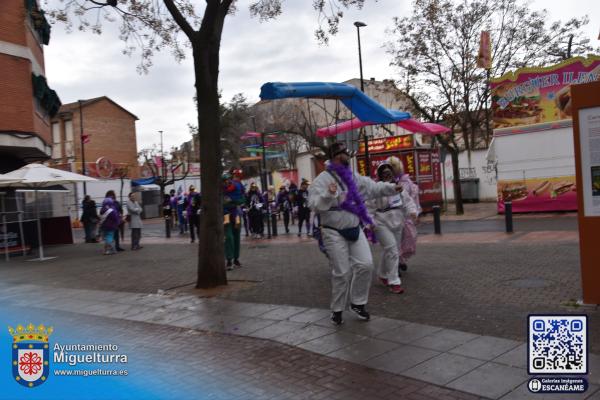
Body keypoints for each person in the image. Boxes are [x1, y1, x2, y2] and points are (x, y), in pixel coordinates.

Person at [308, 142, 403, 326]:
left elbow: (373, 188)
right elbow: (314, 205)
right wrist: (328, 194)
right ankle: (337, 309)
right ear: (336, 156)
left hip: (354, 227)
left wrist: (392, 188)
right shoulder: (322, 179)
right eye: (344, 153)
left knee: (366, 265)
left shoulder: (354, 177)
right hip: (332, 231)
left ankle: (358, 303)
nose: (347, 156)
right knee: (342, 272)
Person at [367, 163, 418, 294]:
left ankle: (383, 274)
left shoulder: (399, 188)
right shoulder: (376, 189)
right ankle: (394, 281)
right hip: (381, 222)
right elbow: (368, 208)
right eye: (384, 173)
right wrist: (370, 222)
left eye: (389, 172)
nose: (387, 174)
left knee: (390, 250)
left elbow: (408, 202)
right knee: (392, 250)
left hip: (397, 222)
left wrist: (413, 213)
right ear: (380, 175)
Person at [387, 156, 422, 272]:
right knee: (394, 243)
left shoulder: (405, 182)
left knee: (409, 239)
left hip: (405, 217)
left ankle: (401, 260)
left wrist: (413, 213)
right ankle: (395, 265)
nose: (392, 169)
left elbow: (409, 199)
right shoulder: (385, 182)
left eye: (394, 166)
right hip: (392, 217)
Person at [223, 173, 244, 270]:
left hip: (236, 214)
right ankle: (229, 260)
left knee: (236, 236)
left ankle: (236, 259)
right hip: (225, 215)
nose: (226, 182)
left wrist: (233, 201)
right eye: (224, 180)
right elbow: (221, 203)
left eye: (228, 179)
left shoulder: (237, 187)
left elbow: (242, 199)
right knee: (229, 237)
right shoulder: (220, 191)